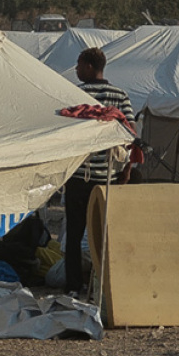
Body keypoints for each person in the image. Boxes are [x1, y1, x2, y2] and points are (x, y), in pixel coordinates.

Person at [64, 46, 135, 296]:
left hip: (78, 175)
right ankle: (104, 284)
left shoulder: (76, 94)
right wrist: (127, 170)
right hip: (108, 177)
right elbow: (131, 134)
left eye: (79, 65)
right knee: (106, 233)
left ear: (89, 66)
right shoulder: (121, 95)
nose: (76, 70)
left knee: (74, 234)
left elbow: (65, 133)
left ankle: (74, 285)